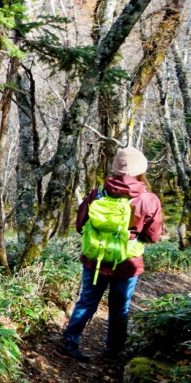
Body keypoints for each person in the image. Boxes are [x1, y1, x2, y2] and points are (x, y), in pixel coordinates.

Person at [56, 147, 163, 362]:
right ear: (140, 171)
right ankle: (112, 352)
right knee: (119, 307)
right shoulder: (148, 199)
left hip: (94, 259)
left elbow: (80, 225)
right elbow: (153, 236)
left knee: (86, 301)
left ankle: (69, 342)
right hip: (126, 262)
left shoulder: (98, 193)